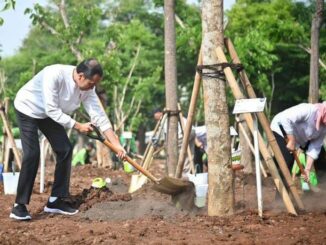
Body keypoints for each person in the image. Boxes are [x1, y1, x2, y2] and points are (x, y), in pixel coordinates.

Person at [10, 58, 126, 221]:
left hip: (49, 114)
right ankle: (19, 206)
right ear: (80, 76)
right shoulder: (54, 74)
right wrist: (78, 125)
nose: (93, 88)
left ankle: (56, 200)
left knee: (65, 149)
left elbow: (100, 117)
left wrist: (117, 145)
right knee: (32, 154)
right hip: (28, 108)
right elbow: (51, 109)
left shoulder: (88, 89)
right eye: (91, 84)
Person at [270, 102, 326, 182]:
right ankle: (279, 188)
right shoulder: (308, 110)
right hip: (280, 128)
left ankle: (322, 188)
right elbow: (285, 119)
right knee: (287, 161)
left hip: (298, 139)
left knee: (321, 158)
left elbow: (315, 147)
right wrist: (291, 140)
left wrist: (307, 169)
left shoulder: (324, 128)